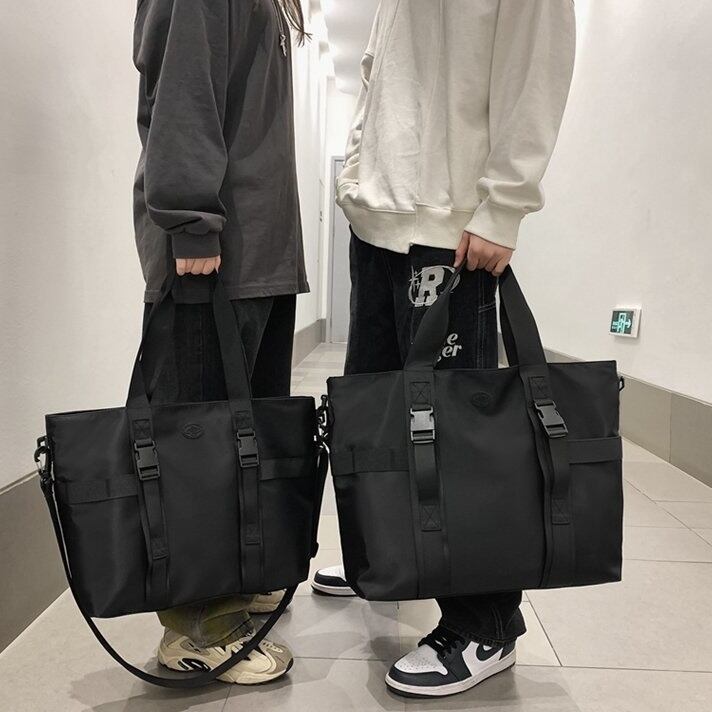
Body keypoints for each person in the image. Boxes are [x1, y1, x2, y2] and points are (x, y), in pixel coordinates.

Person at [312, 0, 576, 698]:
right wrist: (355, 183)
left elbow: (536, 68)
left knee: (458, 434)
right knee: (375, 416)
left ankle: (485, 622)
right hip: (377, 223)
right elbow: (381, 75)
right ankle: (388, 557)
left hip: (450, 229)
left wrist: (503, 205)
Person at [132, 0, 309, 685]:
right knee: (197, 447)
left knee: (242, 438)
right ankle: (197, 627)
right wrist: (191, 219)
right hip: (213, 253)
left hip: (257, 250)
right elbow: (182, 84)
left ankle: (234, 582)